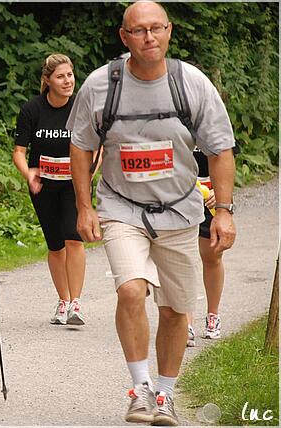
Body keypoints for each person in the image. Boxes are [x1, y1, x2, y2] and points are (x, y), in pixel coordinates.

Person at [67, 1, 236, 425]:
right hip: (121, 206)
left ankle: (164, 394)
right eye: (138, 31)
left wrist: (225, 211)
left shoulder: (190, 83)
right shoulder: (100, 85)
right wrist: (84, 206)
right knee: (130, 290)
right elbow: (81, 146)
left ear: (169, 31)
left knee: (177, 310)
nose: (149, 38)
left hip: (180, 209)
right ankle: (139, 388)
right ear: (124, 37)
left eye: (156, 29)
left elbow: (220, 149)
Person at [12, 53, 86, 326]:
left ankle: (76, 302)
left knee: (73, 238)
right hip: (43, 185)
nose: (67, 81)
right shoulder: (32, 109)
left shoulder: (81, 107)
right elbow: (19, 152)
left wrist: (89, 169)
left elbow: (97, 145)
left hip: (73, 184)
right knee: (56, 245)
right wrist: (27, 173)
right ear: (47, 80)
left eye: (70, 75)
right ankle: (63, 300)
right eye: (60, 77)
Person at [186, 146, 234, 347]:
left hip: (211, 196)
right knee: (181, 257)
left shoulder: (214, 116)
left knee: (212, 255)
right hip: (181, 195)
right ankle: (185, 322)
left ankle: (213, 315)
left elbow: (227, 158)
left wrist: (222, 194)